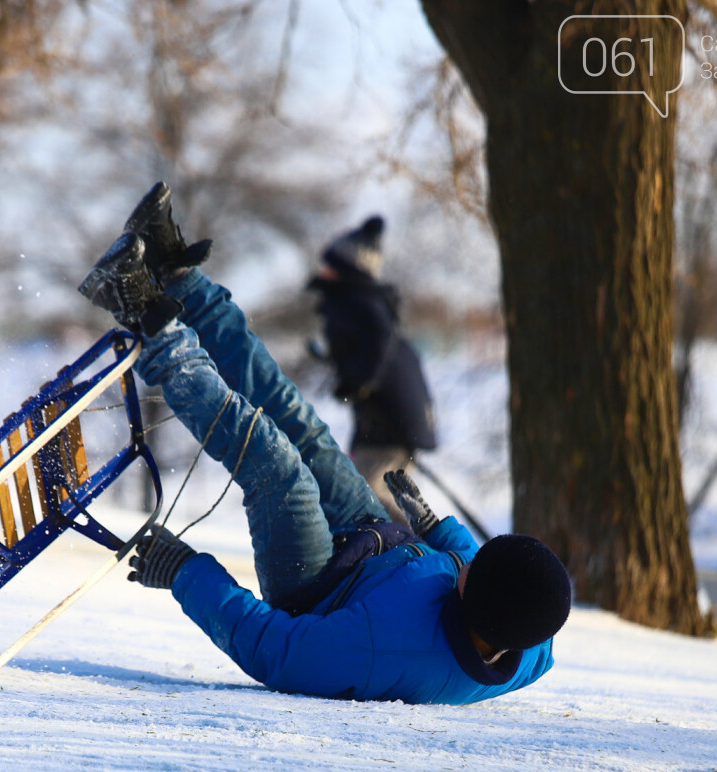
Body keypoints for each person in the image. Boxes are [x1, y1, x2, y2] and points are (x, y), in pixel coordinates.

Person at [77, 182, 570, 705]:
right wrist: (437, 529)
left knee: (277, 466)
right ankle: (179, 279)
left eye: (474, 567)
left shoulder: (384, 650)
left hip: (314, 586)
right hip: (372, 540)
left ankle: (149, 322)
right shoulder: (527, 641)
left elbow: (277, 653)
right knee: (296, 419)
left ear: (477, 604)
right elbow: (494, 580)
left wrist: (185, 573)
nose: (468, 558)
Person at [309, 216, 437, 525]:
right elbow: (368, 346)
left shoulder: (358, 301)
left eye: (332, 264)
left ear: (347, 269)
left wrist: (360, 380)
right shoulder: (366, 301)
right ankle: (412, 549)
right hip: (393, 421)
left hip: (387, 426)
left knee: (363, 493)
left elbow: (378, 341)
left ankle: (419, 543)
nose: (324, 270)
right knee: (385, 493)